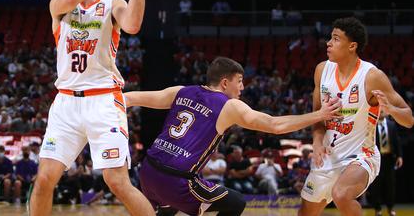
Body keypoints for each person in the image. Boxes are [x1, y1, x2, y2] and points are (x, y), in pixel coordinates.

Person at [30, 0, 157, 216]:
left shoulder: (112, 4)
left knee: (117, 182)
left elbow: (134, 25)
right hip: (65, 104)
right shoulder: (59, 3)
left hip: (103, 102)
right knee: (43, 180)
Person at [124, 56, 343, 216]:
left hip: (148, 171)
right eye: (239, 81)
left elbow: (133, 98)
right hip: (178, 180)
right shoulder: (229, 106)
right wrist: (319, 115)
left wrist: (100, 102)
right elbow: (275, 125)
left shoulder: (181, 91)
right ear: (225, 83)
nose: (242, 87)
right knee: (236, 203)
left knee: (168, 207)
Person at [298, 17, 414, 216]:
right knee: (305, 213)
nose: (328, 43)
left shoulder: (372, 76)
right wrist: (317, 142)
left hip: (362, 155)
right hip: (328, 155)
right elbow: (318, 116)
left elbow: (409, 119)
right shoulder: (321, 70)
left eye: (335, 39)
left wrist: (391, 110)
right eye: (330, 38)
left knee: (341, 194)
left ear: (352, 46)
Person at [367, 113, 403, 216]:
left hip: (389, 159)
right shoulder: (371, 125)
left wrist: (399, 156)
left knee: (390, 185)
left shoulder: (392, 124)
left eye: (383, 110)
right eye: (380, 110)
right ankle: (377, 209)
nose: (382, 112)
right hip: (376, 159)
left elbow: (397, 140)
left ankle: (390, 208)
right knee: (376, 185)